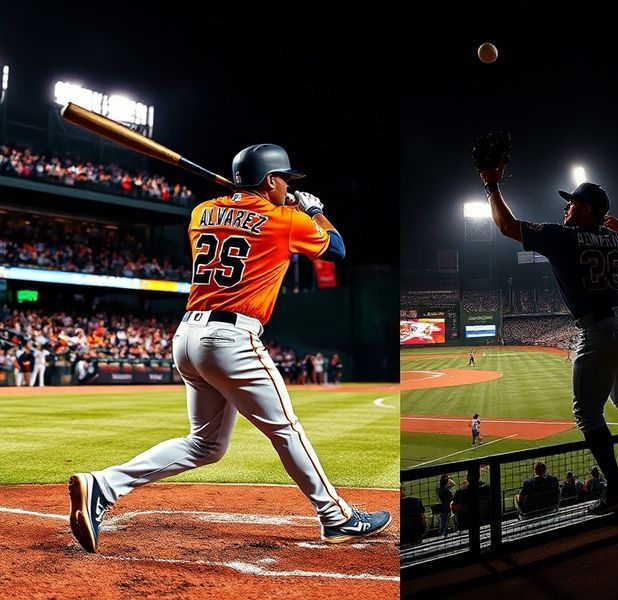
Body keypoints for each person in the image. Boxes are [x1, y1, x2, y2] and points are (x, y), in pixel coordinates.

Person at [68, 144, 390, 553]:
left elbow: (237, 214)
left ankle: (103, 485)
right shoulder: (286, 219)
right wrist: (311, 210)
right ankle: (336, 516)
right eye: (285, 179)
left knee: (204, 445)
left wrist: (270, 202)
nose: (289, 185)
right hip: (230, 339)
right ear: (271, 180)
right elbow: (337, 248)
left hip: (186, 337)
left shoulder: (201, 213)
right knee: (286, 430)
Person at [479, 164, 618, 516]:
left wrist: (491, 185)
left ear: (586, 209)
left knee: (587, 414)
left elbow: (507, 226)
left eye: (571, 204)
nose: (565, 209)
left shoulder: (563, 236)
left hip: (602, 330)